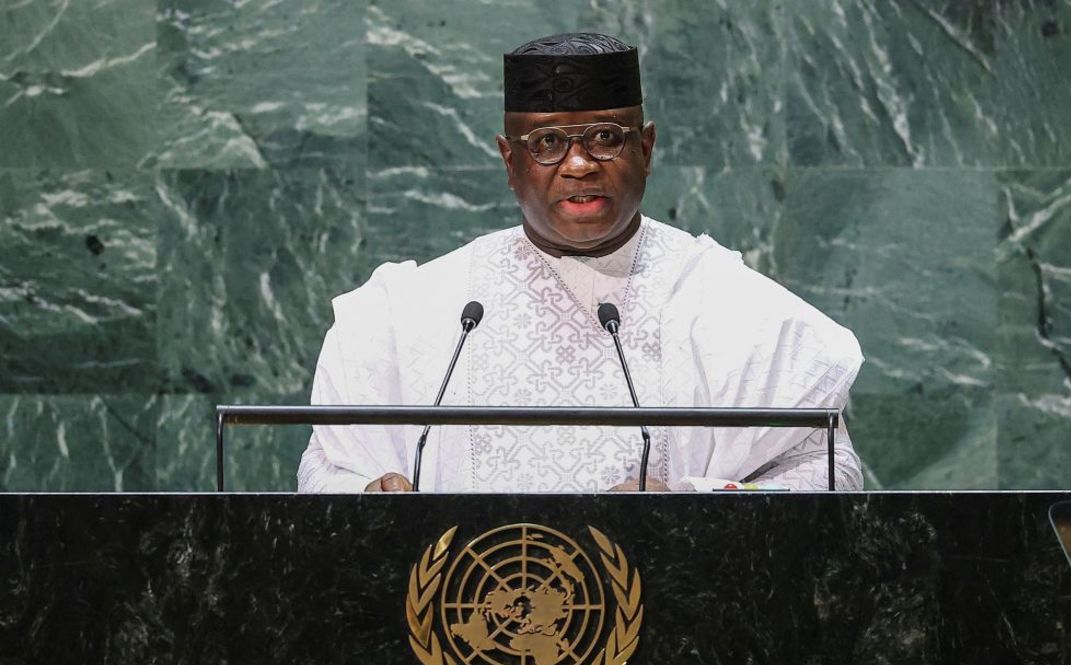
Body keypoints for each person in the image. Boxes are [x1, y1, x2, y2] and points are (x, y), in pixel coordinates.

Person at [298, 32, 863, 493]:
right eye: (546, 143)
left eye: (604, 138)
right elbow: (324, 466)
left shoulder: (728, 303)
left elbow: (831, 470)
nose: (578, 165)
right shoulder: (419, 310)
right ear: (508, 160)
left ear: (646, 148)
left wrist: (698, 505)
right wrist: (367, 496)